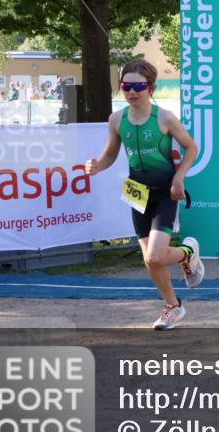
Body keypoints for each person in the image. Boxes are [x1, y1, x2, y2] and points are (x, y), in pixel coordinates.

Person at [85, 58, 204, 331]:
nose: (131, 91)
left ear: (151, 87)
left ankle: (187, 253)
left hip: (164, 193)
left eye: (138, 85)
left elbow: (192, 148)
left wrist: (179, 176)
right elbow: (109, 156)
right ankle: (173, 306)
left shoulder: (163, 117)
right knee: (150, 260)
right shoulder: (116, 120)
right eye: (126, 86)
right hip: (137, 193)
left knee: (154, 257)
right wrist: (96, 166)